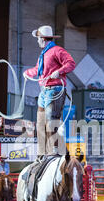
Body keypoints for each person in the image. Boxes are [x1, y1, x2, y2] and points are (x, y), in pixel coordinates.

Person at [23, 25, 76, 157]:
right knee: (40, 121)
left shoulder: (57, 50)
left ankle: (56, 150)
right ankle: (43, 151)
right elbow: (37, 70)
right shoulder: (44, 54)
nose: (37, 41)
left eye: (38, 38)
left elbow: (71, 63)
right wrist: (28, 73)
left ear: (42, 39)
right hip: (44, 90)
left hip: (55, 89)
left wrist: (59, 71)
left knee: (50, 121)